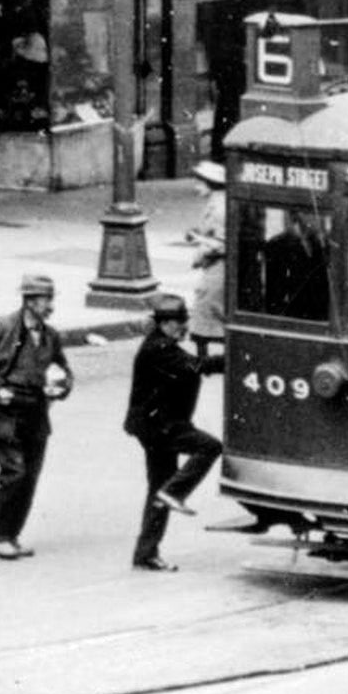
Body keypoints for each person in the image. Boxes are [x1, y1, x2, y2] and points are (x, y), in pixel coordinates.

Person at [0, 273, 73, 562]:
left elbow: (65, 371)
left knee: (30, 476)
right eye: (45, 300)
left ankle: (13, 535)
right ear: (30, 301)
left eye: (50, 299)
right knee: (14, 473)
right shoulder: (4, 326)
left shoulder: (50, 335)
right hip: (6, 410)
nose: (50, 306)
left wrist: (60, 387)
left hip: (37, 409)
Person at [123, 294, 224, 571]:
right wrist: (233, 358)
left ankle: (145, 553)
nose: (184, 327)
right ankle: (177, 492)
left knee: (159, 488)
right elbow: (196, 366)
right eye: (180, 322)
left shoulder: (161, 344)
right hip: (161, 427)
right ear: (165, 323)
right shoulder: (159, 349)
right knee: (210, 447)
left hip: (155, 426)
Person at [186, 160, 227, 371]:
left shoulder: (219, 208)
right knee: (208, 309)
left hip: (218, 267)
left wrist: (202, 249)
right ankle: (206, 357)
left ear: (210, 183)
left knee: (209, 306)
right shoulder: (216, 203)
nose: (196, 187)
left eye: (200, 183)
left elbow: (222, 242)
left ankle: (208, 360)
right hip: (214, 266)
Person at [263, 210, 329, 319]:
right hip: (291, 320)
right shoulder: (277, 245)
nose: (319, 218)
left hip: (318, 319)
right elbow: (274, 296)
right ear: (298, 214)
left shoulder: (321, 245)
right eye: (312, 212)